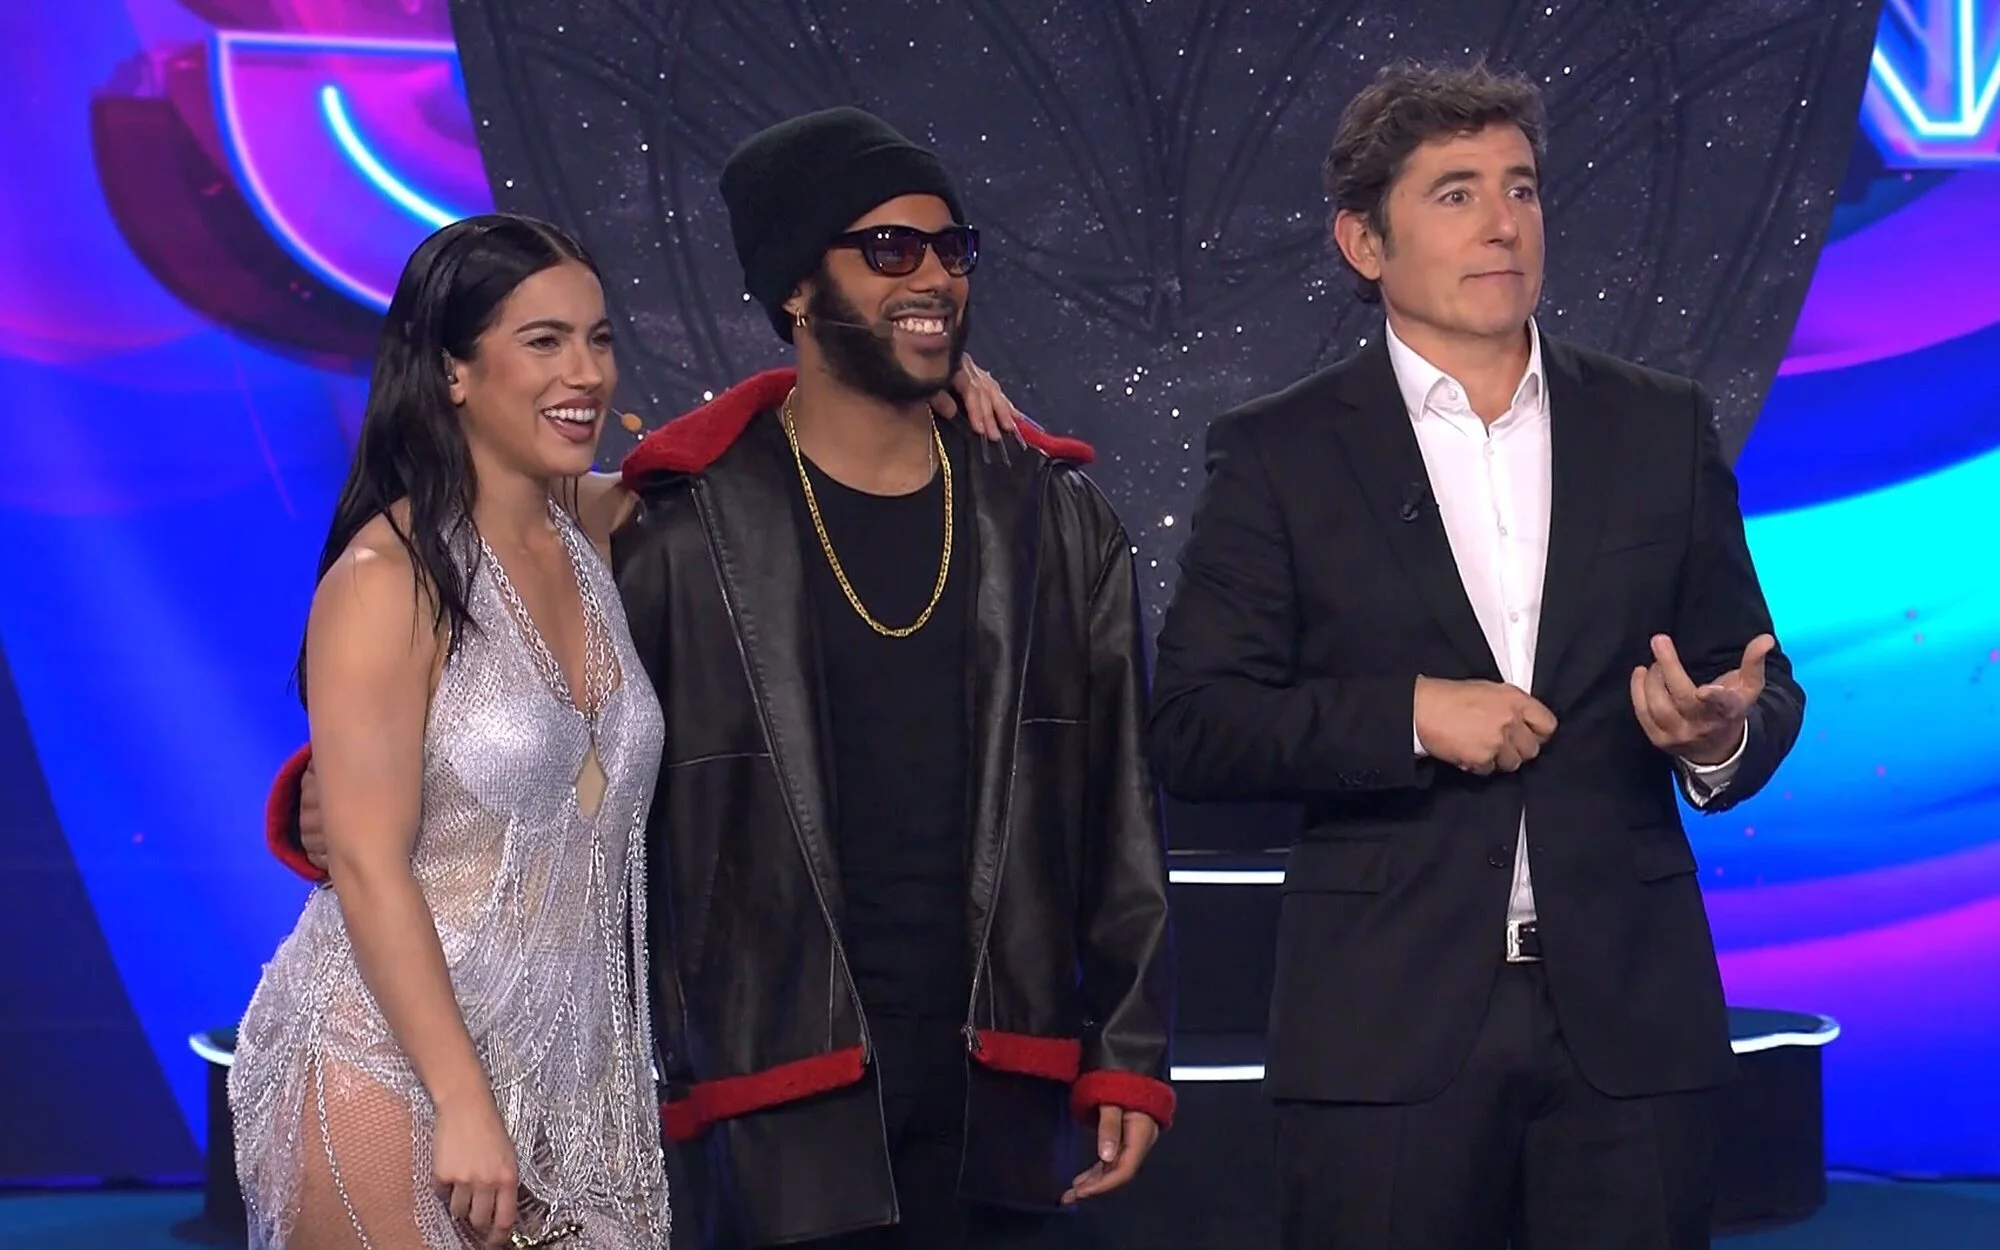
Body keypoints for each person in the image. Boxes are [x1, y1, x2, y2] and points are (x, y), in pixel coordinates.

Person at [266, 107, 1175, 1249]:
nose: (583, 372)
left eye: (950, 251)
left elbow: (1120, 806)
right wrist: (340, 801)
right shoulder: (611, 535)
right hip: (506, 1059)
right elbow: (416, 759)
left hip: (638, 1075)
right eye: (889, 250)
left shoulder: (625, 522)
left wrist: (1127, 1051)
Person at [1148, 61, 1806, 1250]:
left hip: (1629, 1027)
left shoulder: (1656, 424)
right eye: (1454, 193)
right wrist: (1407, 715)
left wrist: (1716, 737)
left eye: (1520, 188)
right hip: (1384, 1030)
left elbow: (1753, 679)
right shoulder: (1279, 453)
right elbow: (1194, 723)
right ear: (1363, 241)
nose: (1502, 222)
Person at [228, 214, 672, 1250]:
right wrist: (461, 1098)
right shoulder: (386, 578)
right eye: (543, 340)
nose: (586, 372)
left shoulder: (596, 528)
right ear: (452, 371)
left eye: (599, 338)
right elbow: (367, 862)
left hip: (585, 1096)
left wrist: (939, 388)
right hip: (392, 1067)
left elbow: (742, 458)